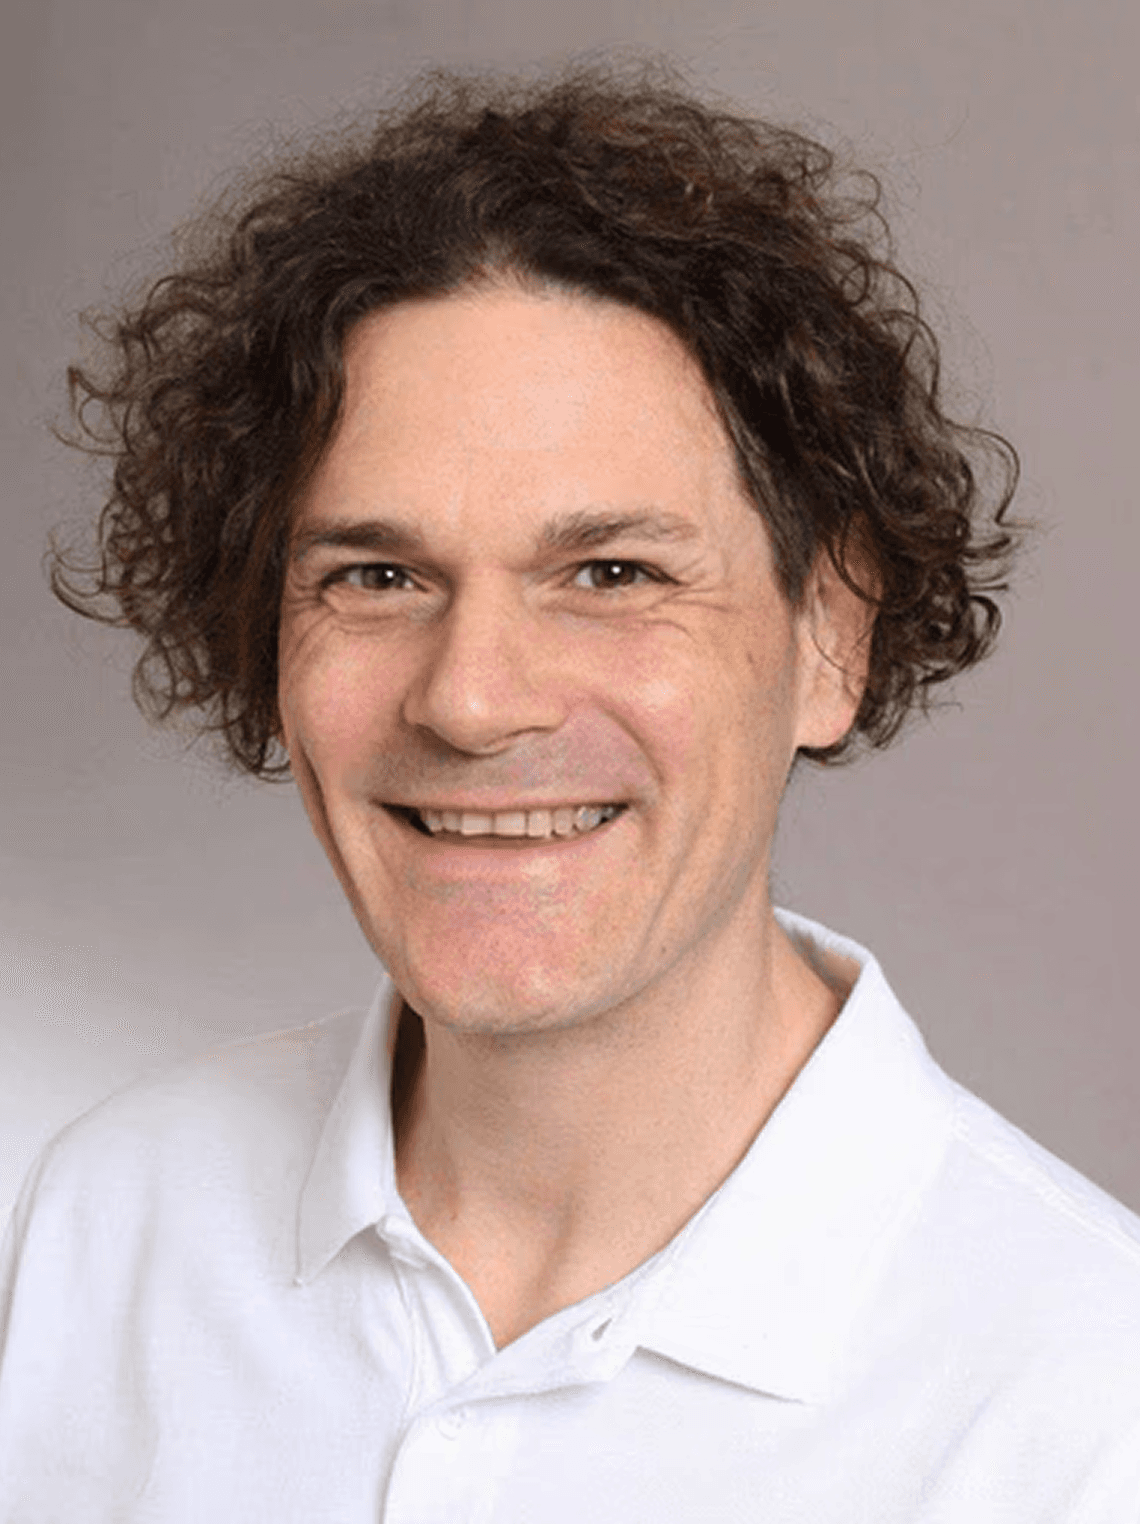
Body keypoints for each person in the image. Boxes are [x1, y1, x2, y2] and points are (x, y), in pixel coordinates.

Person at [2, 61, 1138, 1521]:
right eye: (377, 575)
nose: (473, 699)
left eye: (611, 573)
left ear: (831, 637)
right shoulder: (108, 1226)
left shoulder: (1082, 1411)